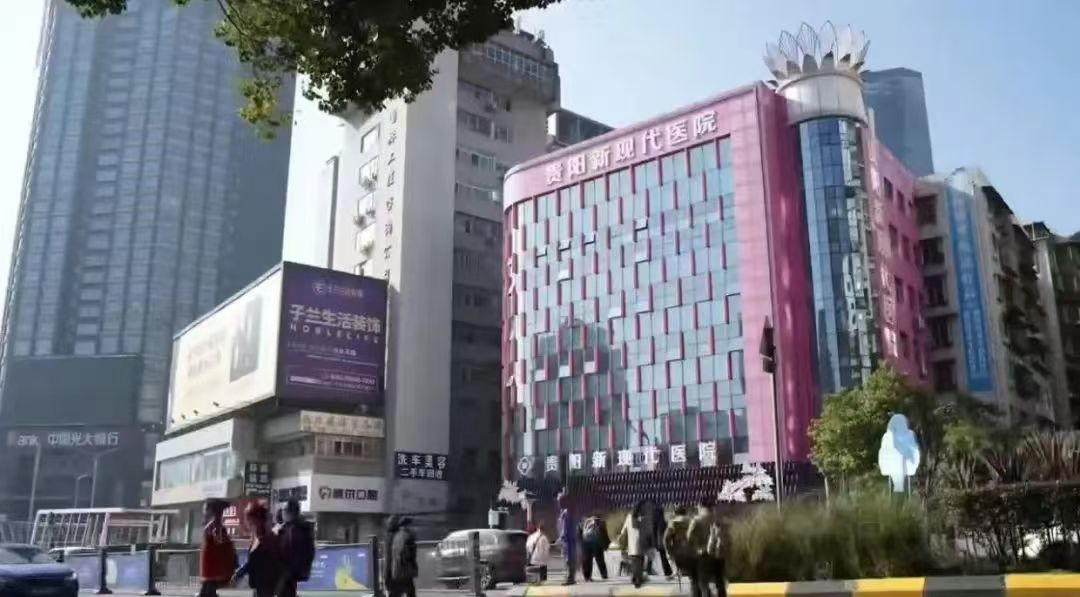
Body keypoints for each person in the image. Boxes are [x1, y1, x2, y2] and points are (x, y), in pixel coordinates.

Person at [232, 503, 280, 597]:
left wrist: (239, 573)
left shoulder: (264, 539)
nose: (246, 521)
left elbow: (254, 561)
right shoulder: (259, 537)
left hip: (265, 584)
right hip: (260, 584)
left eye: (247, 518)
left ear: (254, 520)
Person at [687, 497, 726, 597]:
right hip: (718, 553)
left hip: (704, 555)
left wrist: (696, 548)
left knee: (704, 583)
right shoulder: (717, 519)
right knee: (720, 581)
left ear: (700, 506)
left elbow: (689, 537)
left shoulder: (696, 520)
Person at [277, 498, 316, 597]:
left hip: (289, 572)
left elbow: (291, 551)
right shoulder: (289, 528)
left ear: (291, 512)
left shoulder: (297, 530)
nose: (282, 513)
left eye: (284, 510)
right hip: (287, 573)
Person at [197, 499, 236, 597]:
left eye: (206, 509)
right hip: (211, 569)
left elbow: (219, 541)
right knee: (208, 592)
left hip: (212, 570)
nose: (204, 511)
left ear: (211, 510)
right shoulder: (214, 525)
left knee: (206, 592)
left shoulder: (215, 526)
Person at [662, 506, 696, 590]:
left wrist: (669, 549)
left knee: (668, 554)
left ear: (675, 513)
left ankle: (676, 571)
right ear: (685, 512)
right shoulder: (692, 521)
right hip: (691, 549)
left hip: (678, 550)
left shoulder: (673, 523)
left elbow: (666, 539)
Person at [617, 501, 649, 588]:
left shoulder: (629, 517)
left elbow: (623, 530)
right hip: (642, 543)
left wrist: (621, 539)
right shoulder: (644, 517)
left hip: (632, 545)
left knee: (634, 562)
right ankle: (638, 578)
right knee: (640, 561)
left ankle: (636, 578)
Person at [388, 517, 419, 597]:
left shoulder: (397, 535)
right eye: (410, 525)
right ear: (407, 525)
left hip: (397, 570)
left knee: (399, 591)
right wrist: (408, 565)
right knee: (409, 591)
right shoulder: (407, 536)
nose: (412, 527)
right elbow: (404, 552)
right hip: (404, 570)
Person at [579, 513, 609, 581]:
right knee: (600, 559)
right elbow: (604, 532)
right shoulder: (599, 520)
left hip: (586, 542)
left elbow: (579, 531)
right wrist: (606, 544)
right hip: (597, 542)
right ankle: (604, 575)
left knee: (587, 559)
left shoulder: (583, 519)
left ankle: (587, 577)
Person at [556, 492, 577, 585]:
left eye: (560, 501)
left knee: (569, 558)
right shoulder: (565, 512)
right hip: (567, 539)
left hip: (569, 539)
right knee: (568, 558)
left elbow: (567, 528)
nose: (559, 503)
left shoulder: (568, 512)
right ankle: (570, 577)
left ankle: (570, 578)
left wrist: (563, 536)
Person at [652, 503, 673, 579]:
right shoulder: (664, 520)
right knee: (667, 556)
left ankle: (667, 571)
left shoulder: (655, 521)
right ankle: (669, 571)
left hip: (659, 542)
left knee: (663, 557)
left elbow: (653, 532)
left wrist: (655, 543)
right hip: (666, 541)